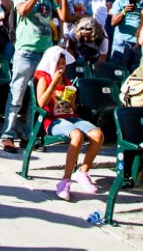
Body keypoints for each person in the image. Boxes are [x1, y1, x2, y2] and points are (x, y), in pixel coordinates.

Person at [0, 0, 69, 153]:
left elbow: (64, 17)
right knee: (17, 93)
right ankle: (8, 135)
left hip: (45, 53)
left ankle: (28, 135)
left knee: (35, 98)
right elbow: (22, 10)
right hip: (26, 51)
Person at [34, 46, 104, 201]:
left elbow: (73, 108)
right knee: (77, 136)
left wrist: (71, 99)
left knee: (97, 134)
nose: (61, 67)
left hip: (71, 117)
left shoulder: (67, 80)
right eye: (58, 63)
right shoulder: (44, 79)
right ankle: (65, 181)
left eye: (63, 64)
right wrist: (53, 84)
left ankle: (83, 171)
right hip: (53, 121)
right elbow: (41, 103)